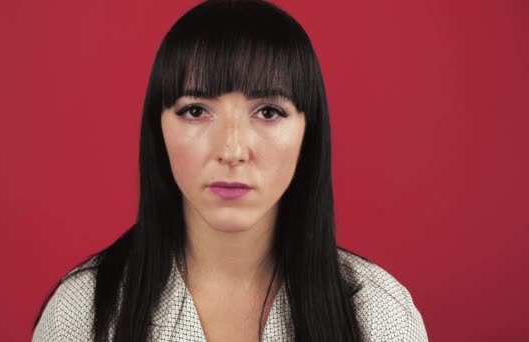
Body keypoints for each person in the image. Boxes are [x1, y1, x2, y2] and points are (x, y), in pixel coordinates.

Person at [32, 1, 428, 341]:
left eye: (269, 112)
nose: (231, 150)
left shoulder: (379, 314)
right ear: (158, 129)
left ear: (310, 130)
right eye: (196, 111)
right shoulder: (82, 313)